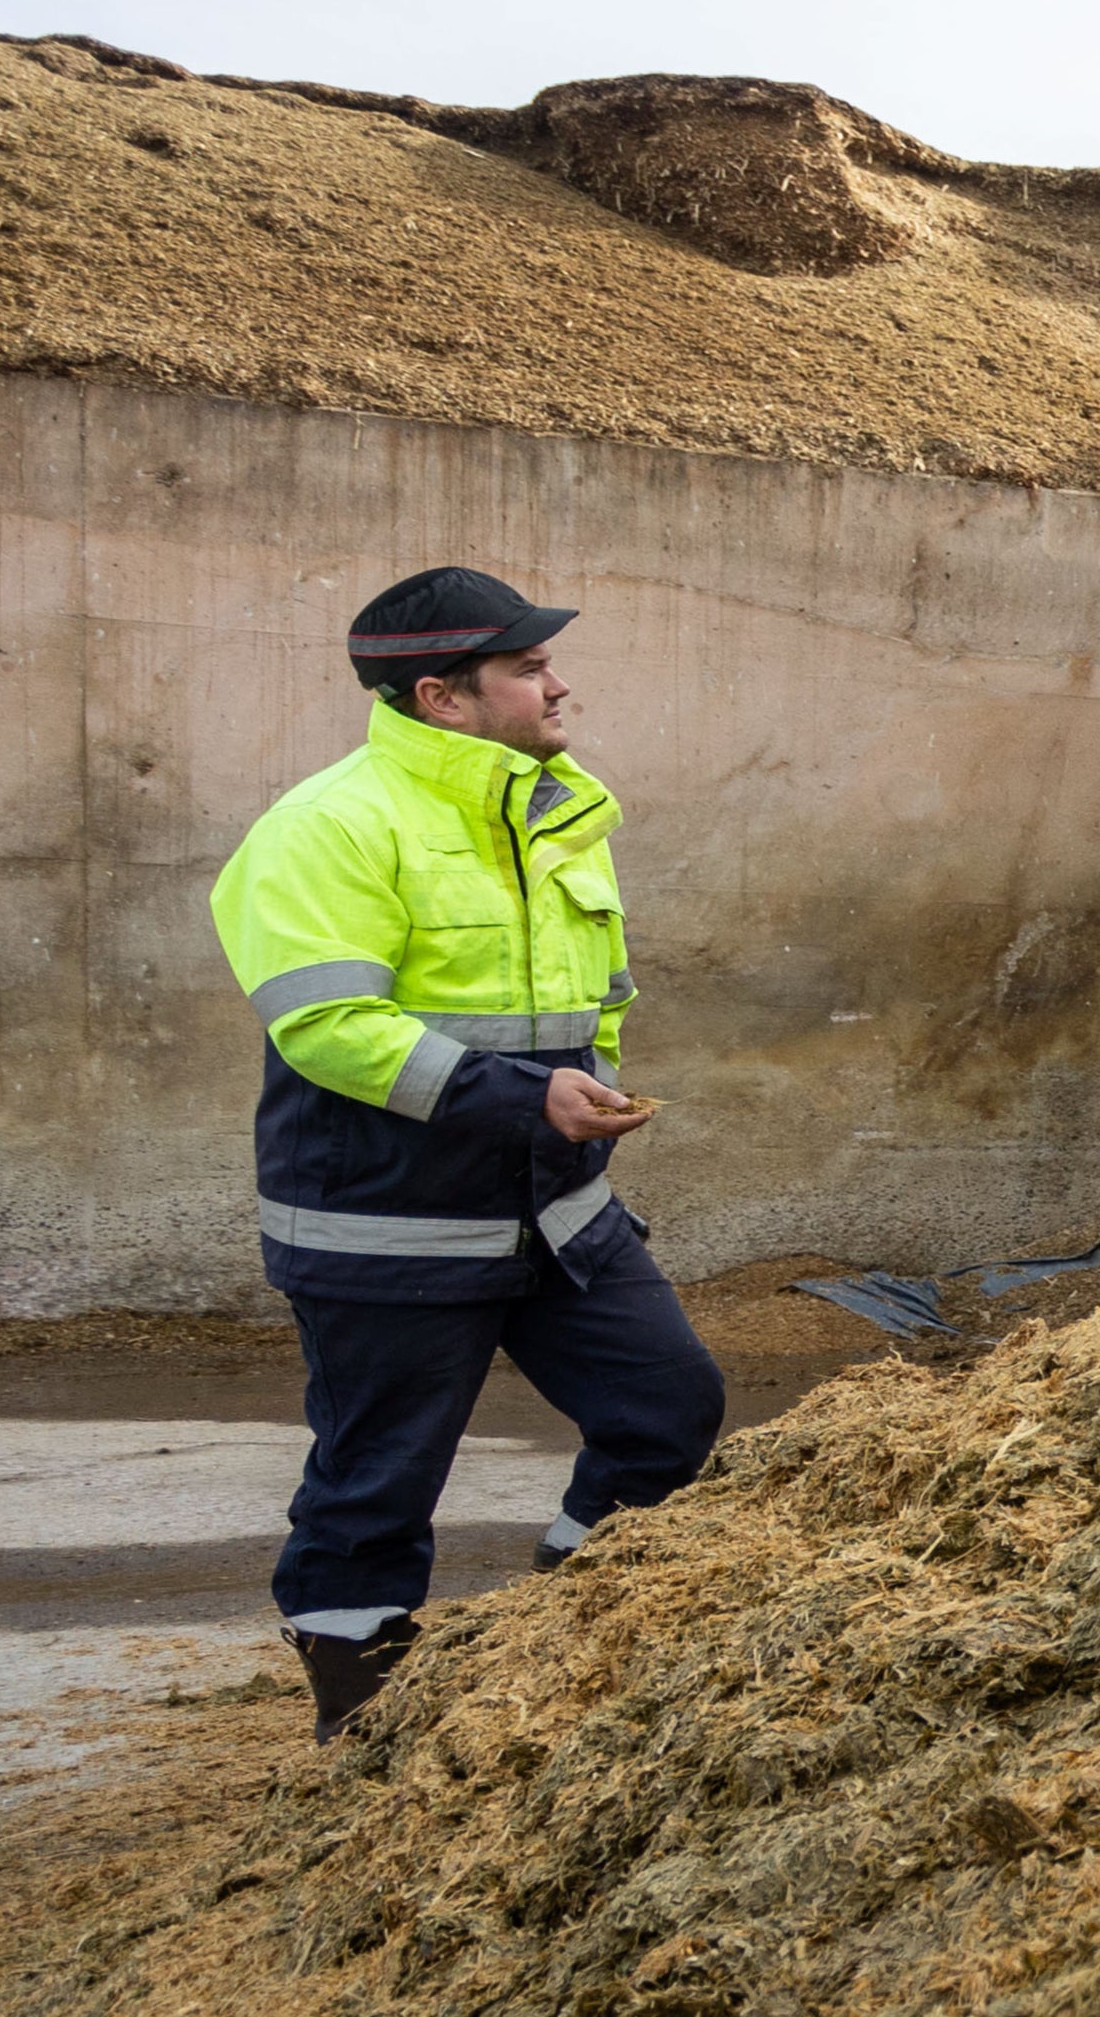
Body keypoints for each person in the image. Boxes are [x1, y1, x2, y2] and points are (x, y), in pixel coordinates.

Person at [209, 567, 727, 1738]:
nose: (559, 686)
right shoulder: (328, 826)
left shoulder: (554, 812)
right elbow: (328, 1028)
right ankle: (365, 1729)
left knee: (667, 1411)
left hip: (555, 1214)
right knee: (376, 1488)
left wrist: (581, 1093)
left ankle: (563, 1637)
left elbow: (594, 992)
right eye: (529, 668)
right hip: (389, 1228)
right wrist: (524, 1099)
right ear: (442, 697)